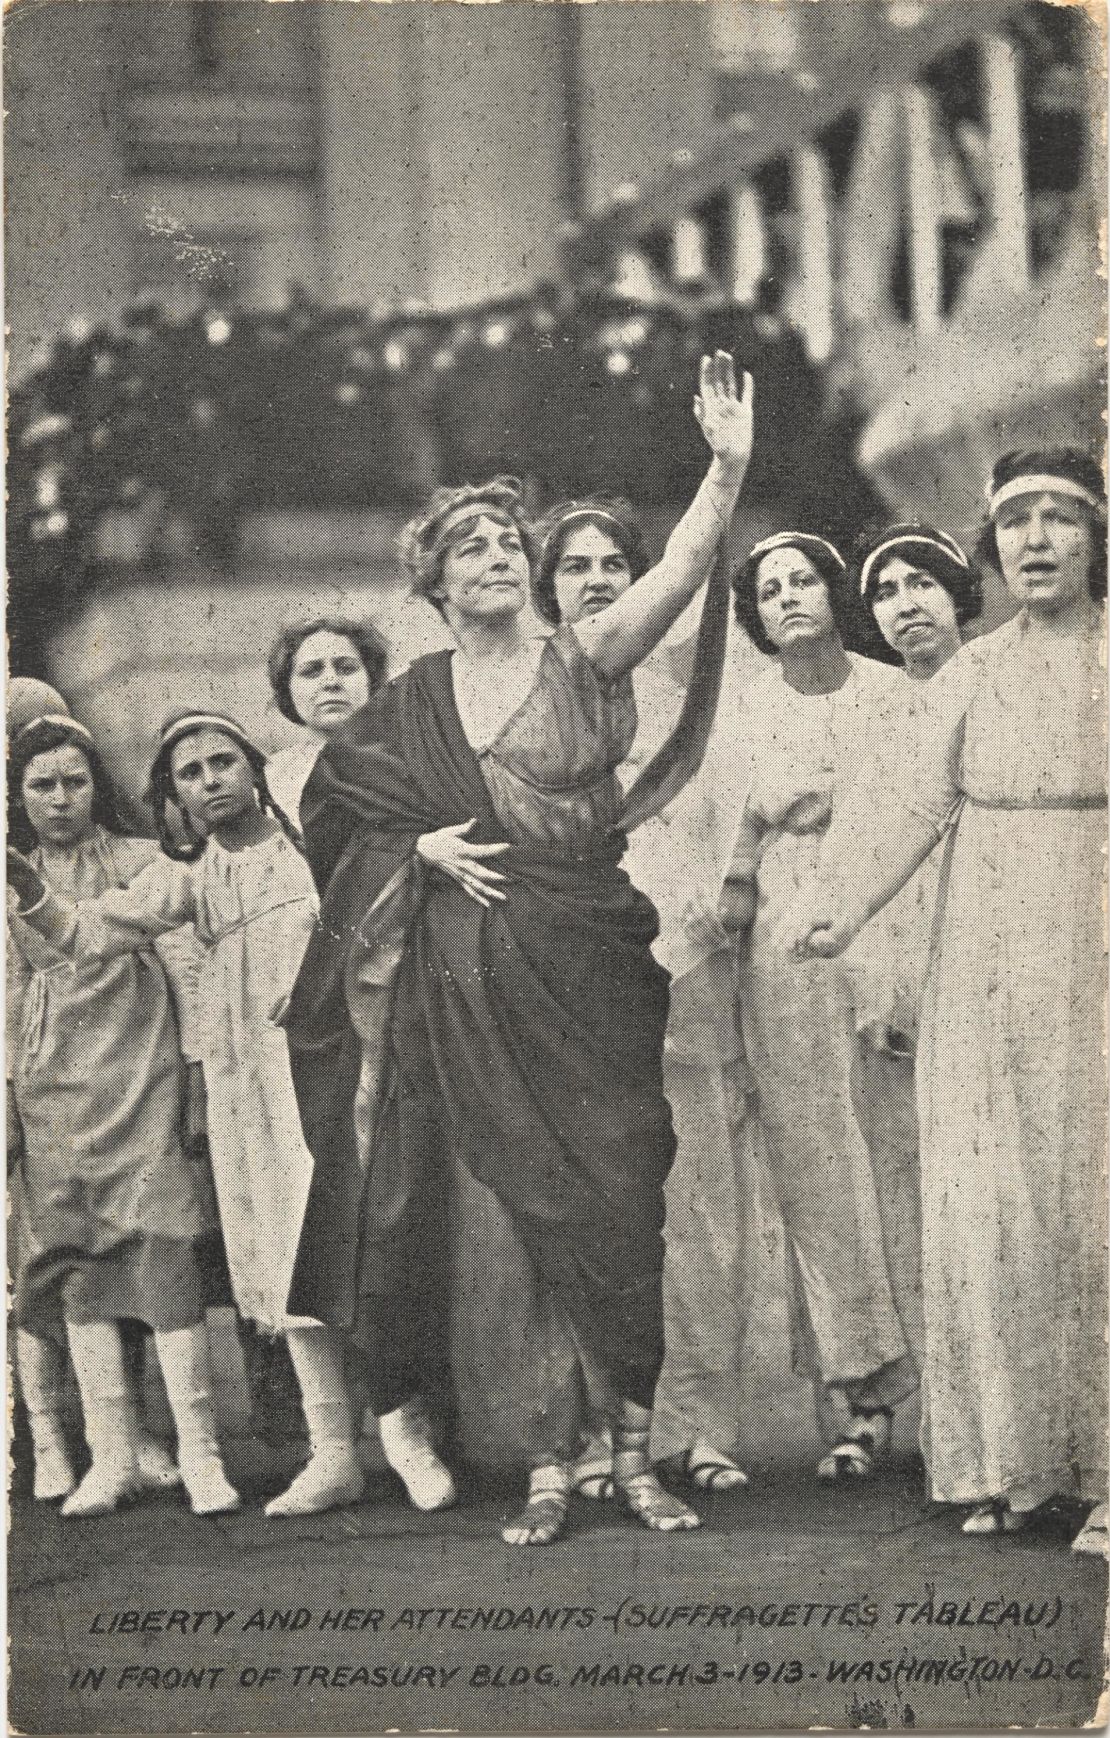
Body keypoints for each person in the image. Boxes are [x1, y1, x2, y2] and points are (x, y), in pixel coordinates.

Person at [285, 352, 754, 1545]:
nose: (499, 557)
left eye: (510, 543)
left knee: (616, 1193)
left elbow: (686, 572)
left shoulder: (582, 657)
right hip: (467, 986)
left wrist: (726, 468)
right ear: (434, 584)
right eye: (473, 548)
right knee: (502, 1219)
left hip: (587, 964)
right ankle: (550, 1462)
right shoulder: (406, 708)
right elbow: (342, 822)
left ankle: (637, 1459)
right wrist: (416, 856)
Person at [782, 448, 1107, 1555]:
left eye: (1062, 519)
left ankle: (1106, 1469)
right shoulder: (973, 670)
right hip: (985, 943)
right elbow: (915, 808)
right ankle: (1016, 1460)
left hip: (1096, 929)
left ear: (1097, 538)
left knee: (1093, 1193)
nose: (1038, 541)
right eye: (1017, 522)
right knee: (993, 1196)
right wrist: (844, 909)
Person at [9, 711, 366, 1518]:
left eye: (222, 761)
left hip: (325, 1059)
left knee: (363, 1229)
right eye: (188, 772)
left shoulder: (310, 843)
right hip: (247, 1074)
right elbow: (88, 934)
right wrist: (28, 888)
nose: (209, 781)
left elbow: (368, 919)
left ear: (253, 764)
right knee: (280, 1245)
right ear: (171, 794)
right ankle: (332, 1449)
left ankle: (411, 1441)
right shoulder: (186, 871)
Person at [533, 495, 754, 1498]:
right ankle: (603, 1434)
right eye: (573, 566)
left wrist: (703, 926)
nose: (594, 579)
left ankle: (700, 1426)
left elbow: (735, 834)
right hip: (572, 989)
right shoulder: (526, 703)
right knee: (596, 1219)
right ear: (550, 591)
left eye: (612, 562)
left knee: (700, 1207)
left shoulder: (686, 699)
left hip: (685, 971)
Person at [705, 529, 917, 1483]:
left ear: (838, 594)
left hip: (894, 907)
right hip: (787, 927)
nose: (790, 596)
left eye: (806, 580)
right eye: (771, 588)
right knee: (814, 1150)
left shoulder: (894, 689)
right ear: (755, 614)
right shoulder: (741, 708)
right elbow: (734, 830)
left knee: (903, 1144)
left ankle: (952, 1389)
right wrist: (748, 866)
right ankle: (858, 1397)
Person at [7, 713, 238, 1517]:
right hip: (52, 1092)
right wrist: (8, 1099)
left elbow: (187, 973)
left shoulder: (143, 861)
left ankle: (202, 1456)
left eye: (75, 781)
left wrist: (197, 1084)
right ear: (21, 796)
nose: (60, 798)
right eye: (42, 785)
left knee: (166, 1257)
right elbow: (6, 996)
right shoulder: (14, 878)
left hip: (142, 1078)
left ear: (96, 785)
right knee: (75, 1267)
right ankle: (109, 1459)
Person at [837, 524, 984, 1370]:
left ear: (957, 592)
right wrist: (876, 989)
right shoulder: (879, 713)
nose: (904, 604)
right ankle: (946, 1403)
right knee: (909, 1190)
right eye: (885, 592)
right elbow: (860, 860)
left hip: (992, 966)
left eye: (921, 582)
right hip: (901, 984)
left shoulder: (996, 684)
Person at [266, 617, 388, 822]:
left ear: (371, 681)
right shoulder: (272, 776)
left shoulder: (407, 759)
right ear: (288, 688)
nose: (331, 682)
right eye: (311, 672)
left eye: (347, 668)